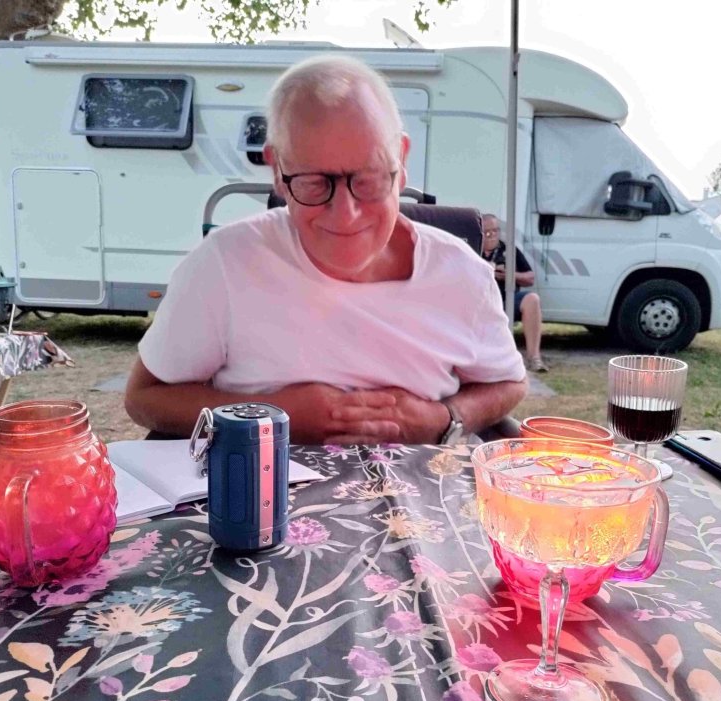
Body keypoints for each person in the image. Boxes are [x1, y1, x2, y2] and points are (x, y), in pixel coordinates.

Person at [124, 55, 527, 445]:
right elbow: (145, 398)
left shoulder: (462, 273)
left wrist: (445, 419)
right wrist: (273, 416)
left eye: (368, 179)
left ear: (401, 161)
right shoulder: (226, 263)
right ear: (277, 170)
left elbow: (509, 383)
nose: (346, 215)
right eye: (315, 183)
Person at [481, 214, 548, 373]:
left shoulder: (509, 250)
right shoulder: (472, 249)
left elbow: (530, 277)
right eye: (487, 232)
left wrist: (510, 275)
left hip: (507, 299)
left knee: (532, 299)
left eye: (495, 231)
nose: (492, 235)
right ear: (480, 233)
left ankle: (534, 357)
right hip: (481, 301)